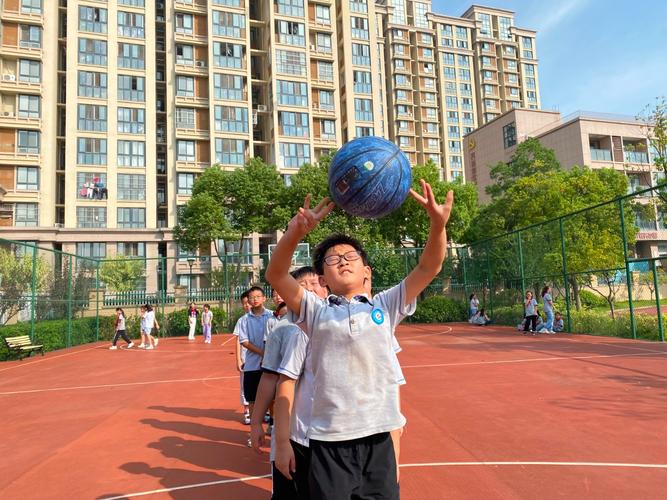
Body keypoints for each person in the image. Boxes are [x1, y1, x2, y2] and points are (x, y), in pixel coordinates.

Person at [266, 181, 453, 499]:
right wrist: (295, 232)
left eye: (349, 256)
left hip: (378, 438)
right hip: (329, 440)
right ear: (323, 280)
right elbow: (277, 274)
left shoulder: (386, 305)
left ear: (367, 271)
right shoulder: (316, 311)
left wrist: (438, 224)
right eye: (331, 259)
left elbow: (429, 266)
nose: (341, 260)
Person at [250, 266, 328, 499]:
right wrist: (256, 422)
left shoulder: (338, 322)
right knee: (290, 488)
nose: (312, 290)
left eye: (316, 284)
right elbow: (269, 377)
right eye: (303, 286)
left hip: (331, 429)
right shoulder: (283, 329)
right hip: (293, 429)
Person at [235, 286, 272, 436]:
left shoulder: (271, 316)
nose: (255, 299)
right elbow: (244, 341)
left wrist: (269, 354)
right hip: (251, 366)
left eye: (258, 296)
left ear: (264, 298)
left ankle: (272, 426)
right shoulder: (244, 320)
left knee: (272, 398)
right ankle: (255, 431)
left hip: (270, 365)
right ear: (248, 300)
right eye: (252, 297)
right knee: (252, 400)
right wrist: (263, 352)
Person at [235, 290, 252, 424]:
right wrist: (238, 359)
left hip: (262, 358)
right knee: (245, 385)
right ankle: (247, 410)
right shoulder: (241, 321)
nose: (247, 305)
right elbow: (238, 340)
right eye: (244, 303)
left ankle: (265, 411)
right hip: (246, 358)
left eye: (248, 302)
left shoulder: (267, 316)